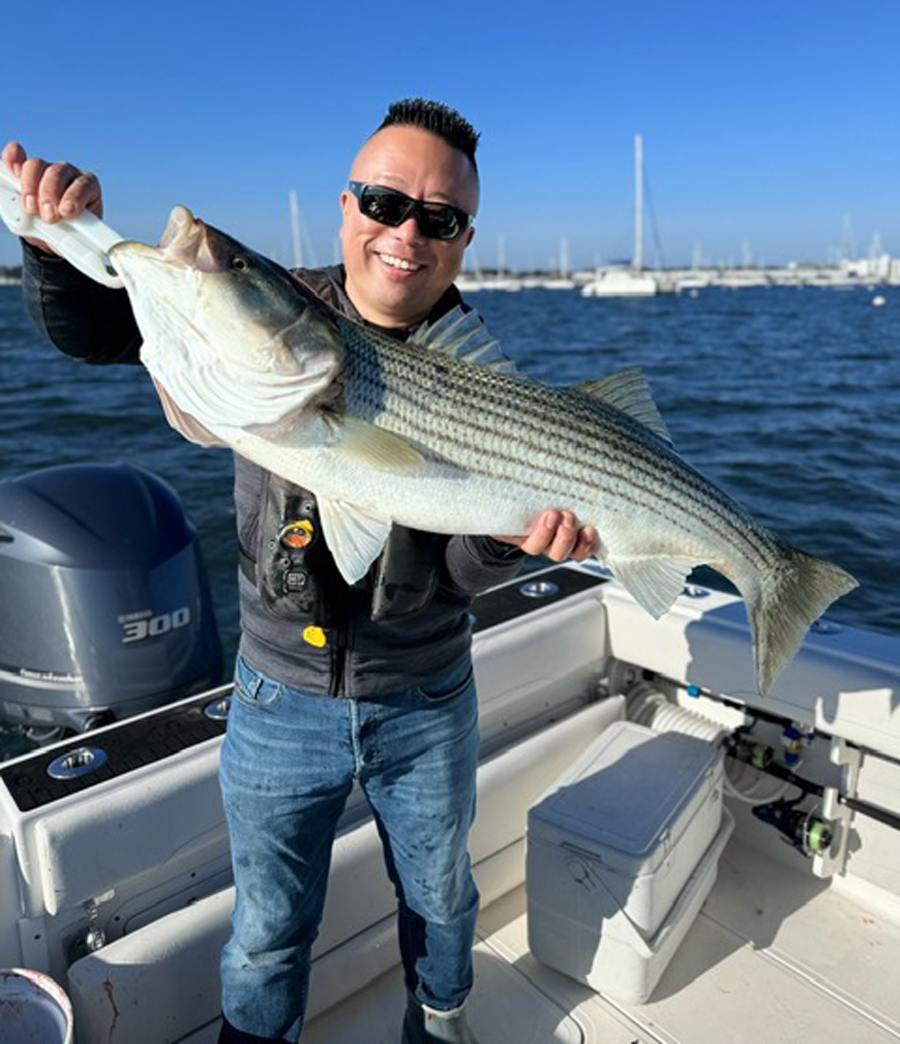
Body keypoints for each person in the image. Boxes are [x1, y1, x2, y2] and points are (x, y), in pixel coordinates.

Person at [4, 98, 598, 1043]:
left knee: (442, 898)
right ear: (347, 205)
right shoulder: (286, 308)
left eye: (439, 218)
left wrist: (514, 539)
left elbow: (456, 563)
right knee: (268, 929)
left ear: (463, 240)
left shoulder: (488, 383)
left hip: (427, 695)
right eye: (385, 202)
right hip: (277, 697)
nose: (407, 233)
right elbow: (103, 327)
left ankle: (441, 1022)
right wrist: (52, 241)